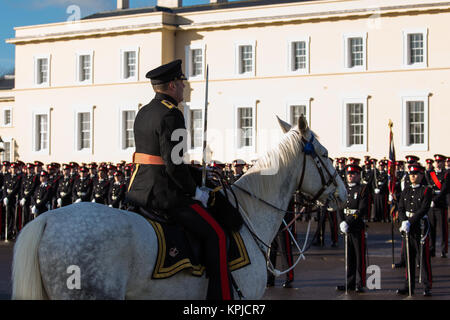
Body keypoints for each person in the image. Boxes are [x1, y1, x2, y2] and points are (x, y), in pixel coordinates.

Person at [126, 59, 233, 300]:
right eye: (182, 82)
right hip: (162, 193)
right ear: (173, 85)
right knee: (217, 234)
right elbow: (174, 166)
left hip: (138, 189)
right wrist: (195, 191)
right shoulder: (172, 115)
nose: (185, 87)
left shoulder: (144, 111)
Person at [396, 164, 433, 296]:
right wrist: (403, 221)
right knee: (408, 258)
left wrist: (410, 222)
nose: (412, 176)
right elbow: (400, 207)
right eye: (411, 174)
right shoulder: (406, 190)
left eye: (416, 174)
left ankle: (427, 286)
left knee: (423, 259)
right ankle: (408, 285)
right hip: (407, 228)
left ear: (421, 175)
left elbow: (423, 209)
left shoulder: (426, 191)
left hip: (420, 228)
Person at [337, 164, 368, 293]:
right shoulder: (342, 189)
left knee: (359, 256)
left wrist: (348, 222)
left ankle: (360, 283)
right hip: (346, 228)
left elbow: (362, 209)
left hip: (356, 227)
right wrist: (341, 222)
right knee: (349, 256)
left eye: (353, 174)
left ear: (358, 175)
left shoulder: (362, 189)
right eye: (349, 174)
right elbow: (339, 207)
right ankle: (349, 282)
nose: (350, 176)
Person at [428, 154, 449, 258]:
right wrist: (430, 200)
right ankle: (431, 249)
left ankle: (443, 250)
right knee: (431, 228)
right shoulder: (430, 173)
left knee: (443, 229)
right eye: (436, 162)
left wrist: (435, 200)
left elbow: (444, 190)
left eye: (439, 162)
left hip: (440, 205)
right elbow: (428, 188)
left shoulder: (446, 174)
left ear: (442, 163)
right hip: (431, 206)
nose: (437, 163)